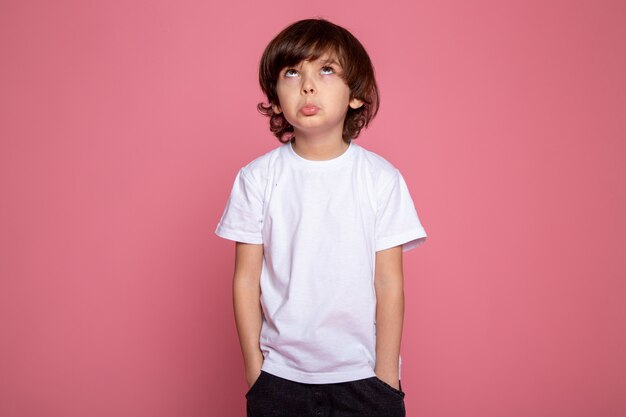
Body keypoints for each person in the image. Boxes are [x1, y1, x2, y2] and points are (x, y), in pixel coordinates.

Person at [215, 18, 427, 417]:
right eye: (292, 72)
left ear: (356, 96)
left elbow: (389, 281)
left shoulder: (381, 179)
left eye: (326, 70)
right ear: (276, 99)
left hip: (365, 377)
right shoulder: (257, 178)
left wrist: (385, 376)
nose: (308, 85)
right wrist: (254, 371)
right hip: (280, 378)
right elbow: (246, 279)